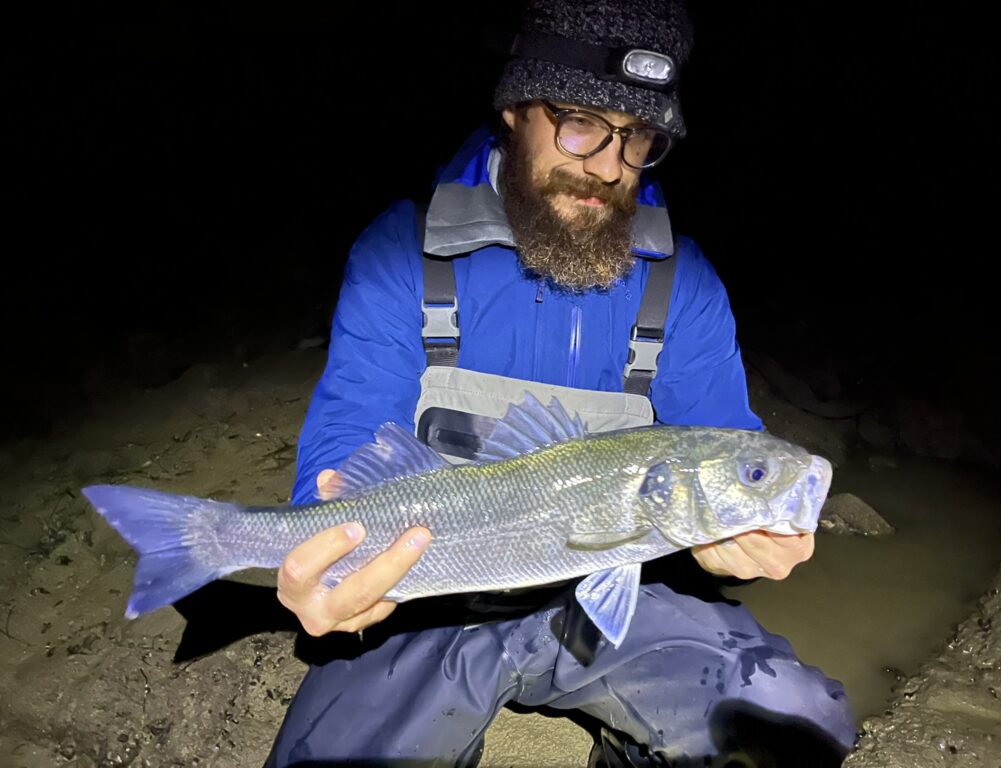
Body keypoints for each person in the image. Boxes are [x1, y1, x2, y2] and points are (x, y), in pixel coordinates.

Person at [266, 0, 857, 765]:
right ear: (514, 108)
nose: (608, 164)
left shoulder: (687, 283)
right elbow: (348, 440)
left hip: (619, 603)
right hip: (429, 597)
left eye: (636, 136)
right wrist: (328, 559)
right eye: (579, 120)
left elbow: (726, 436)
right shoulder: (402, 253)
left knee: (790, 731)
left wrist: (742, 534)